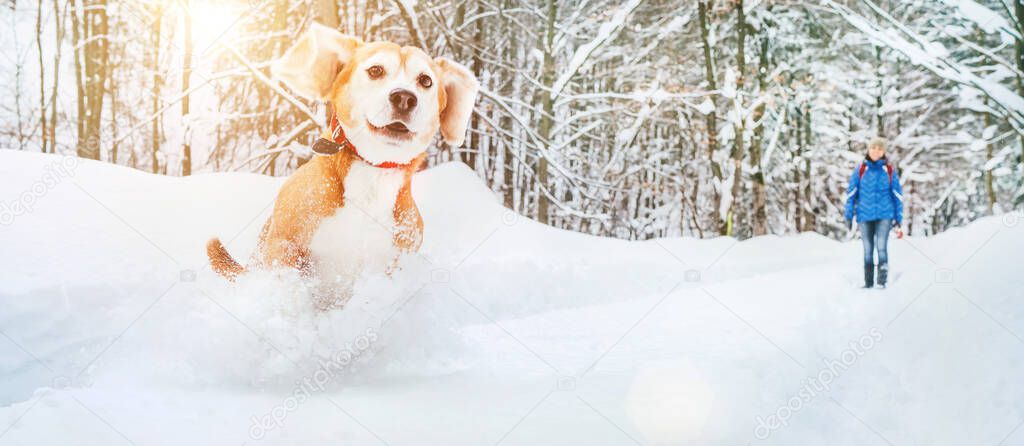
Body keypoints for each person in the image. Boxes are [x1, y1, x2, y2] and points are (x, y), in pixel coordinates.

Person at [844, 137, 904, 289]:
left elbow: (897, 195)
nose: (876, 151)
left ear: (883, 152)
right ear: (868, 150)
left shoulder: (889, 171)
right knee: (867, 248)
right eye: (873, 148)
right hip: (864, 215)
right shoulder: (860, 170)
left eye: (879, 148)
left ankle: (882, 281)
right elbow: (851, 194)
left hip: (885, 215)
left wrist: (898, 218)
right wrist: (848, 215)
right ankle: (868, 282)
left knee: (881, 246)